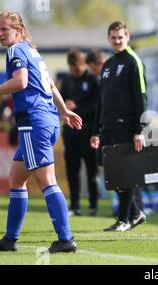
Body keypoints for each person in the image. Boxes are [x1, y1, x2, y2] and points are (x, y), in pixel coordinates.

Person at [0, 11, 82, 253]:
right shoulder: (31, 51)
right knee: (16, 178)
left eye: (5, 29)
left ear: (19, 30)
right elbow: (50, 84)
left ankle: (65, 239)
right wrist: (64, 110)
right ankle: (10, 239)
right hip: (47, 119)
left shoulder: (16, 51)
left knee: (47, 181)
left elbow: (21, 82)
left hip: (34, 122)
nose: (1, 34)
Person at [90, 21, 147, 232]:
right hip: (108, 128)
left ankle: (124, 220)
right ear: (109, 39)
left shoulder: (134, 62)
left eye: (120, 37)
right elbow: (101, 101)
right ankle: (135, 213)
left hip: (126, 127)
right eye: (113, 38)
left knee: (124, 173)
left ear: (127, 37)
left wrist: (139, 130)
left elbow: (141, 98)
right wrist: (95, 130)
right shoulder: (108, 64)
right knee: (112, 174)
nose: (117, 41)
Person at [60, 49, 99, 216]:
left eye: (77, 67)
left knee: (91, 171)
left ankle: (93, 206)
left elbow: (97, 107)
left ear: (83, 64)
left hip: (87, 132)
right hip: (70, 133)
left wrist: (77, 108)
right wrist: (64, 108)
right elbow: (59, 102)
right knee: (72, 171)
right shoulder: (67, 81)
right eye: (72, 68)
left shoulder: (92, 80)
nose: (74, 71)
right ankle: (75, 206)